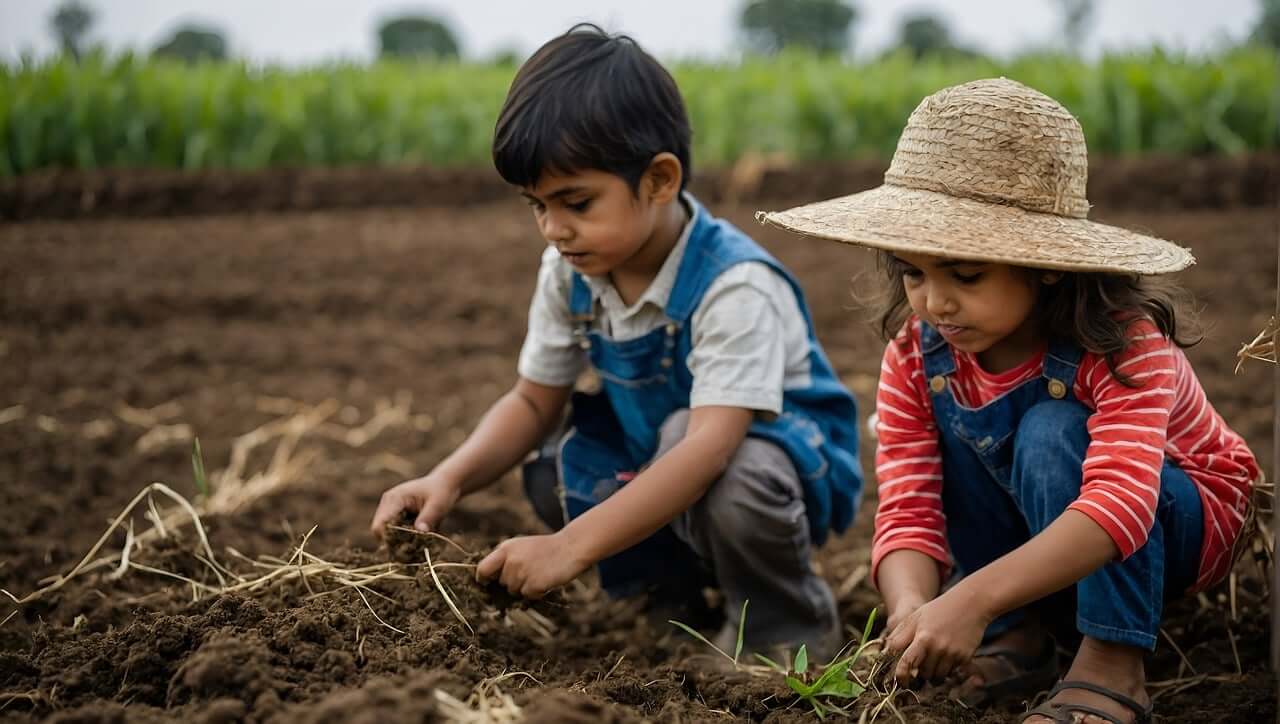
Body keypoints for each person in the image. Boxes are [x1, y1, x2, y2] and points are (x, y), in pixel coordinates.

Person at [758, 78, 1259, 723]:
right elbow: (909, 502)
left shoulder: (1123, 341)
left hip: (1180, 521)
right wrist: (916, 607)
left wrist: (973, 600)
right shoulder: (917, 354)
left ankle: (1111, 661)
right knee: (976, 440)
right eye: (914, 273)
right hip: (1043, 525)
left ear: (1046, 265)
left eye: (965, 275)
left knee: (1052, 432)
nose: (935, 302)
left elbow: (1123, 502)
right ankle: (1017, 638)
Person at [370, 24, 864, 657]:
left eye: (575, 202)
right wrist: (449, 479)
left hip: (772, 468)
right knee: (555, 467)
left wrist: (568, 548)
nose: (553, 228)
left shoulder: (733, 286)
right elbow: (531, 402)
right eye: (536, 206)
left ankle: (784, 625)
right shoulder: (569, 273)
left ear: (659, 180)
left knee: (716, 464)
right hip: (666, 453)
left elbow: (710, 448)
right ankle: (667, 605)